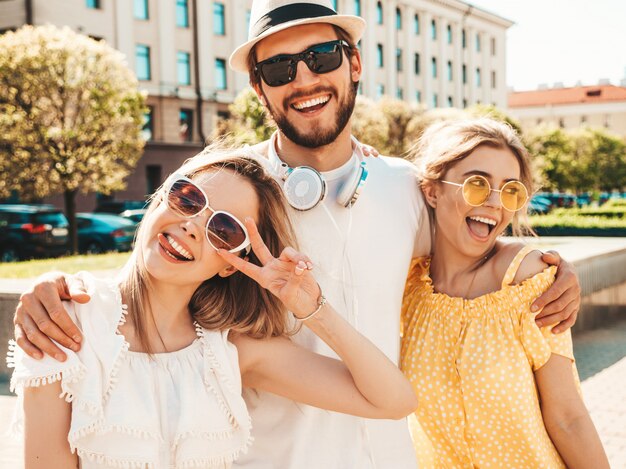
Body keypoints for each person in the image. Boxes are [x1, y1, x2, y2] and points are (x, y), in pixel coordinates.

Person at [13, 1, 582, 467]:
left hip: (388, 456)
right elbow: (155, 275)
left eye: (321, 56)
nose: (304, 79)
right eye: (280, 70)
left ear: (354, 63)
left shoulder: (406, 188)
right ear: (259, 90)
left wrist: (548, 264)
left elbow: (472, 245)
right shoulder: (222, 189)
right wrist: (55, 289)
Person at [8, 149, 418, 469]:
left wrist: (311, 308)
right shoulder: (62, 325)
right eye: (188, 198)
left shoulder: (231, 352)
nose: (191, 226)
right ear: (159, 201)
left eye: (223, 229)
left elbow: (393, 401)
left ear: (230, 264)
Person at [400, 118, 608, 468]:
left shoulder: (529, 279)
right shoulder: (405, 289)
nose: (495, 204)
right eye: (477, 184)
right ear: (432, 190)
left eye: (510, 190)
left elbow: (568, 418)